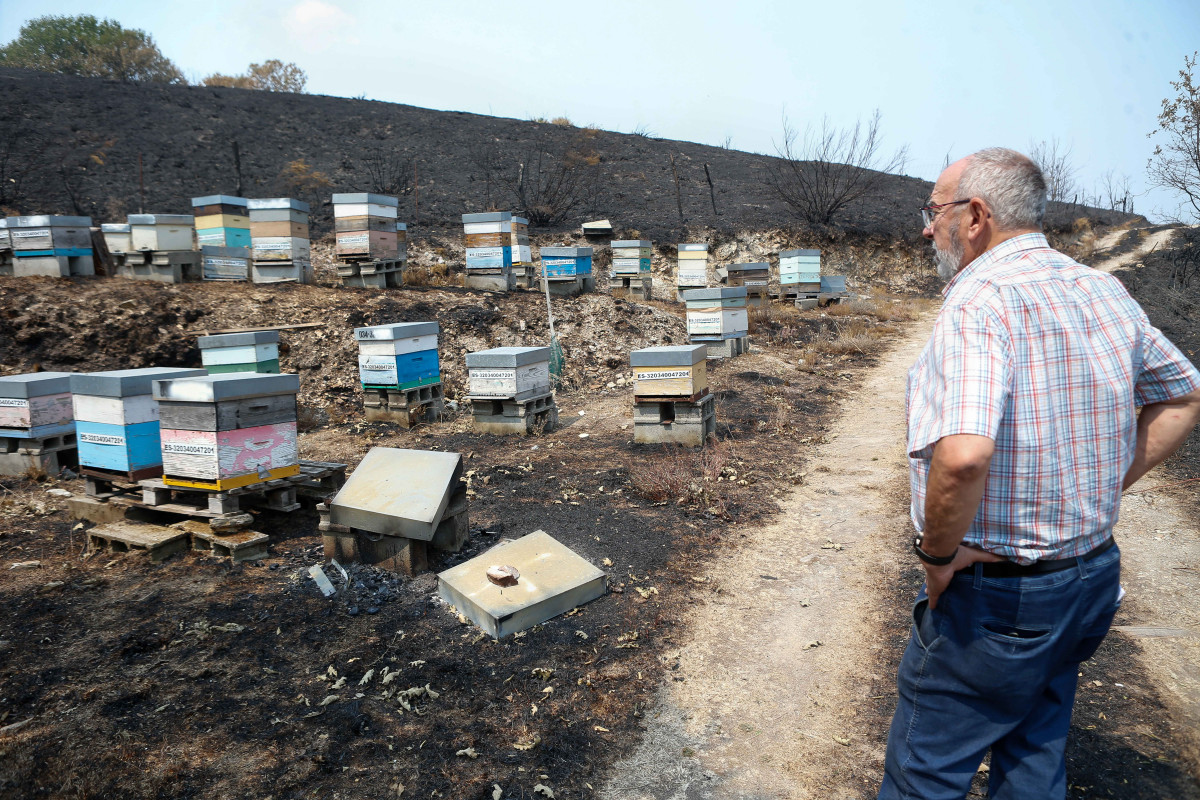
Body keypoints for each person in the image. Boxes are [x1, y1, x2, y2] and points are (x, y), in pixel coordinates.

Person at [878, 147, 1200, 800]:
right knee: (1034, 761)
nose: (924, 227)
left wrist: (936, 556)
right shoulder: (1103, 289)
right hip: (1087, 582)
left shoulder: (980, 300)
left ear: (975, 216)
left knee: (924, 777)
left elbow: (964, 455)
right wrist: (1103, 485)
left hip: (1001, 600)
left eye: (933, 211)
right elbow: (1184, 393)